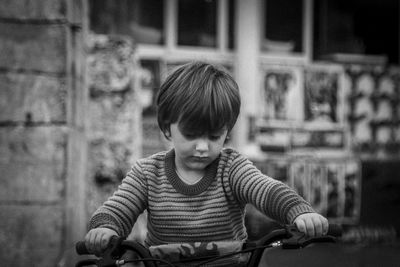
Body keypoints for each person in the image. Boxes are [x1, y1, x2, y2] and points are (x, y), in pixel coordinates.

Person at [84, 61, 329, 265]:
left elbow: (265, 189)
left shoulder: (231, 168)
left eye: (214, 136)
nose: (203, 147)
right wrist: (105, 229)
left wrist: (298, 210)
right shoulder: (148, 173)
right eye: (191, 135)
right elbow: (118, 207)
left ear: (227, 132)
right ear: (167, 129)